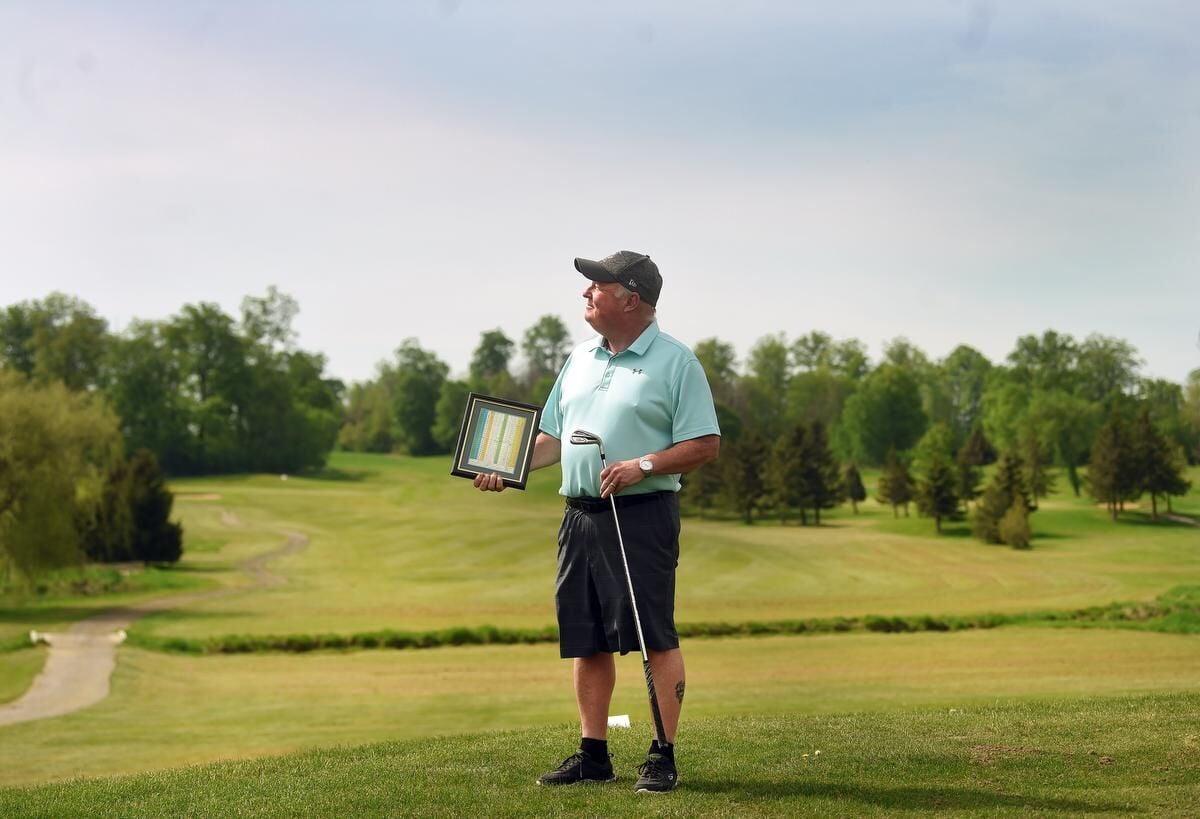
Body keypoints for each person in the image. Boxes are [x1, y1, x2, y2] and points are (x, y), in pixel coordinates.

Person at [474, 250, 720, 793]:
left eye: (597, 286)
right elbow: (554, 439)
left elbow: (705, 443)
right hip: (579, 515)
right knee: (585, 638)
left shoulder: (677, 362)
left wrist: (643, 466)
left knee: (655, 635)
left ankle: (663, 754)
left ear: (631, 298)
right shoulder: (580, 358)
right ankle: (593, 753)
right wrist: (504, 468)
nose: (586, 294)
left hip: (641, 515)